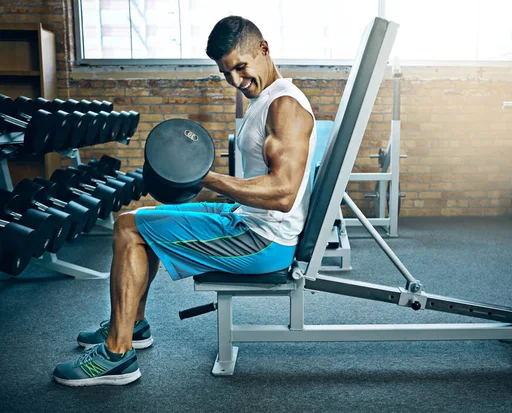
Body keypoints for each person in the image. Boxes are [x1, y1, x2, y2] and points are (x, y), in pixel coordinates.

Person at [53, 15, 316, 387]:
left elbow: (284, 193)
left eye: (241, 68)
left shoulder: (283, 107)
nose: (236, 82)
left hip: (263, 241)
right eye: (227, 73)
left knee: (130, 229)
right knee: (136, 218)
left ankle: (116, 354)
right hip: (248, 220)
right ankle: (132, 325)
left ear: (264, 49)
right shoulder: (267, 99)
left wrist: (204, 177)